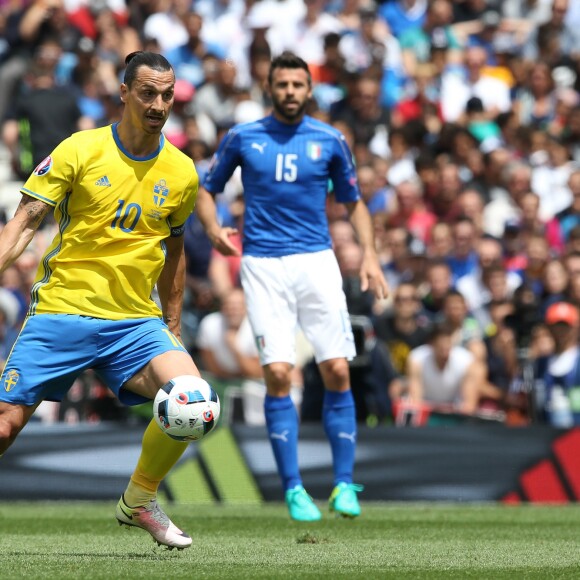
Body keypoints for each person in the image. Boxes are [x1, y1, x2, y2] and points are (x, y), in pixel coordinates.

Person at [0, 51, 202, 550]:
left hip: (134, 322)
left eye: (168, 94)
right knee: (4, 430)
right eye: (149, 93)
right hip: (62, 310)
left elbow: (174, 255)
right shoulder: (79, 149)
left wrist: (172, 322)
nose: (159, 104)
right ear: (125, 93)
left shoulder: (182, 172)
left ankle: (138, 500)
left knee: (194, 403)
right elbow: (24, 223)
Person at [196, 51, 388, 522]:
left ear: (309, 89)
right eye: (282, 85)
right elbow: (207, 188)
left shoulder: (330, 139)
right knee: (278, 375)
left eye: (298, 85)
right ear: (270, 88)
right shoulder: (244, 137)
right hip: (262, 265)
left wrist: (370, 253)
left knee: (338, 370)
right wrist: (215, 227)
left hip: (316, 262)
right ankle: (294, 489)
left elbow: (354, 202)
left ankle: (344, 485)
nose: (290, 93)